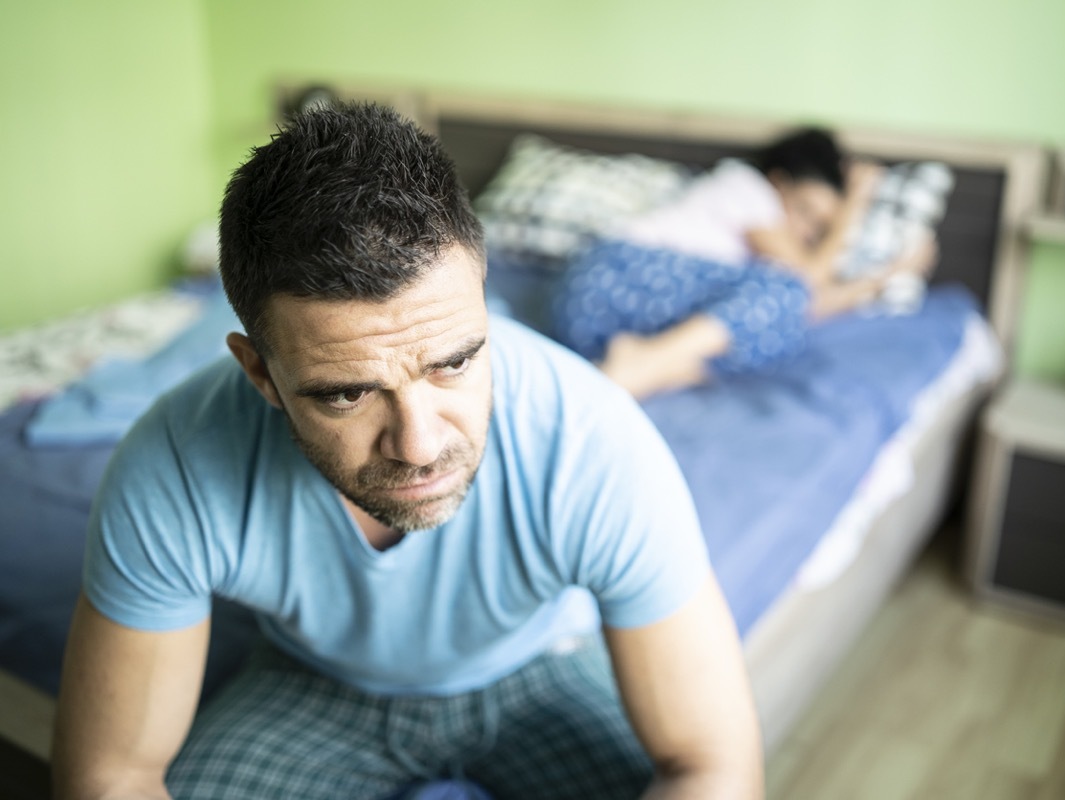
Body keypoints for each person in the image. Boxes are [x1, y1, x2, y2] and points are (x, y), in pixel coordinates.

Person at [51, 104, 761, 800]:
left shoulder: (595, 444)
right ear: (260, 373)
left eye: (453, 362)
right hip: (313, 685)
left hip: (541, 666)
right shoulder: (171, 463)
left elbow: (712, 767)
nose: (420, 445)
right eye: (346, 395)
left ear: (483, 308)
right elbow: (112, 777)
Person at [552, 129, 937, 398]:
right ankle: (641, 368)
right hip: (609, 275)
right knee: (784, 292)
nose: (804, 231)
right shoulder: (746, 187)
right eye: (804, 210)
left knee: (778, 329)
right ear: (779, 182)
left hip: (605, 325)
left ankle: (650, 364)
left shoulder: (754, 284)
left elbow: (808, 306)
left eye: (818, 230)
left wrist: (887, 275)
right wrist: (855, 203)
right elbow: (805, 280)